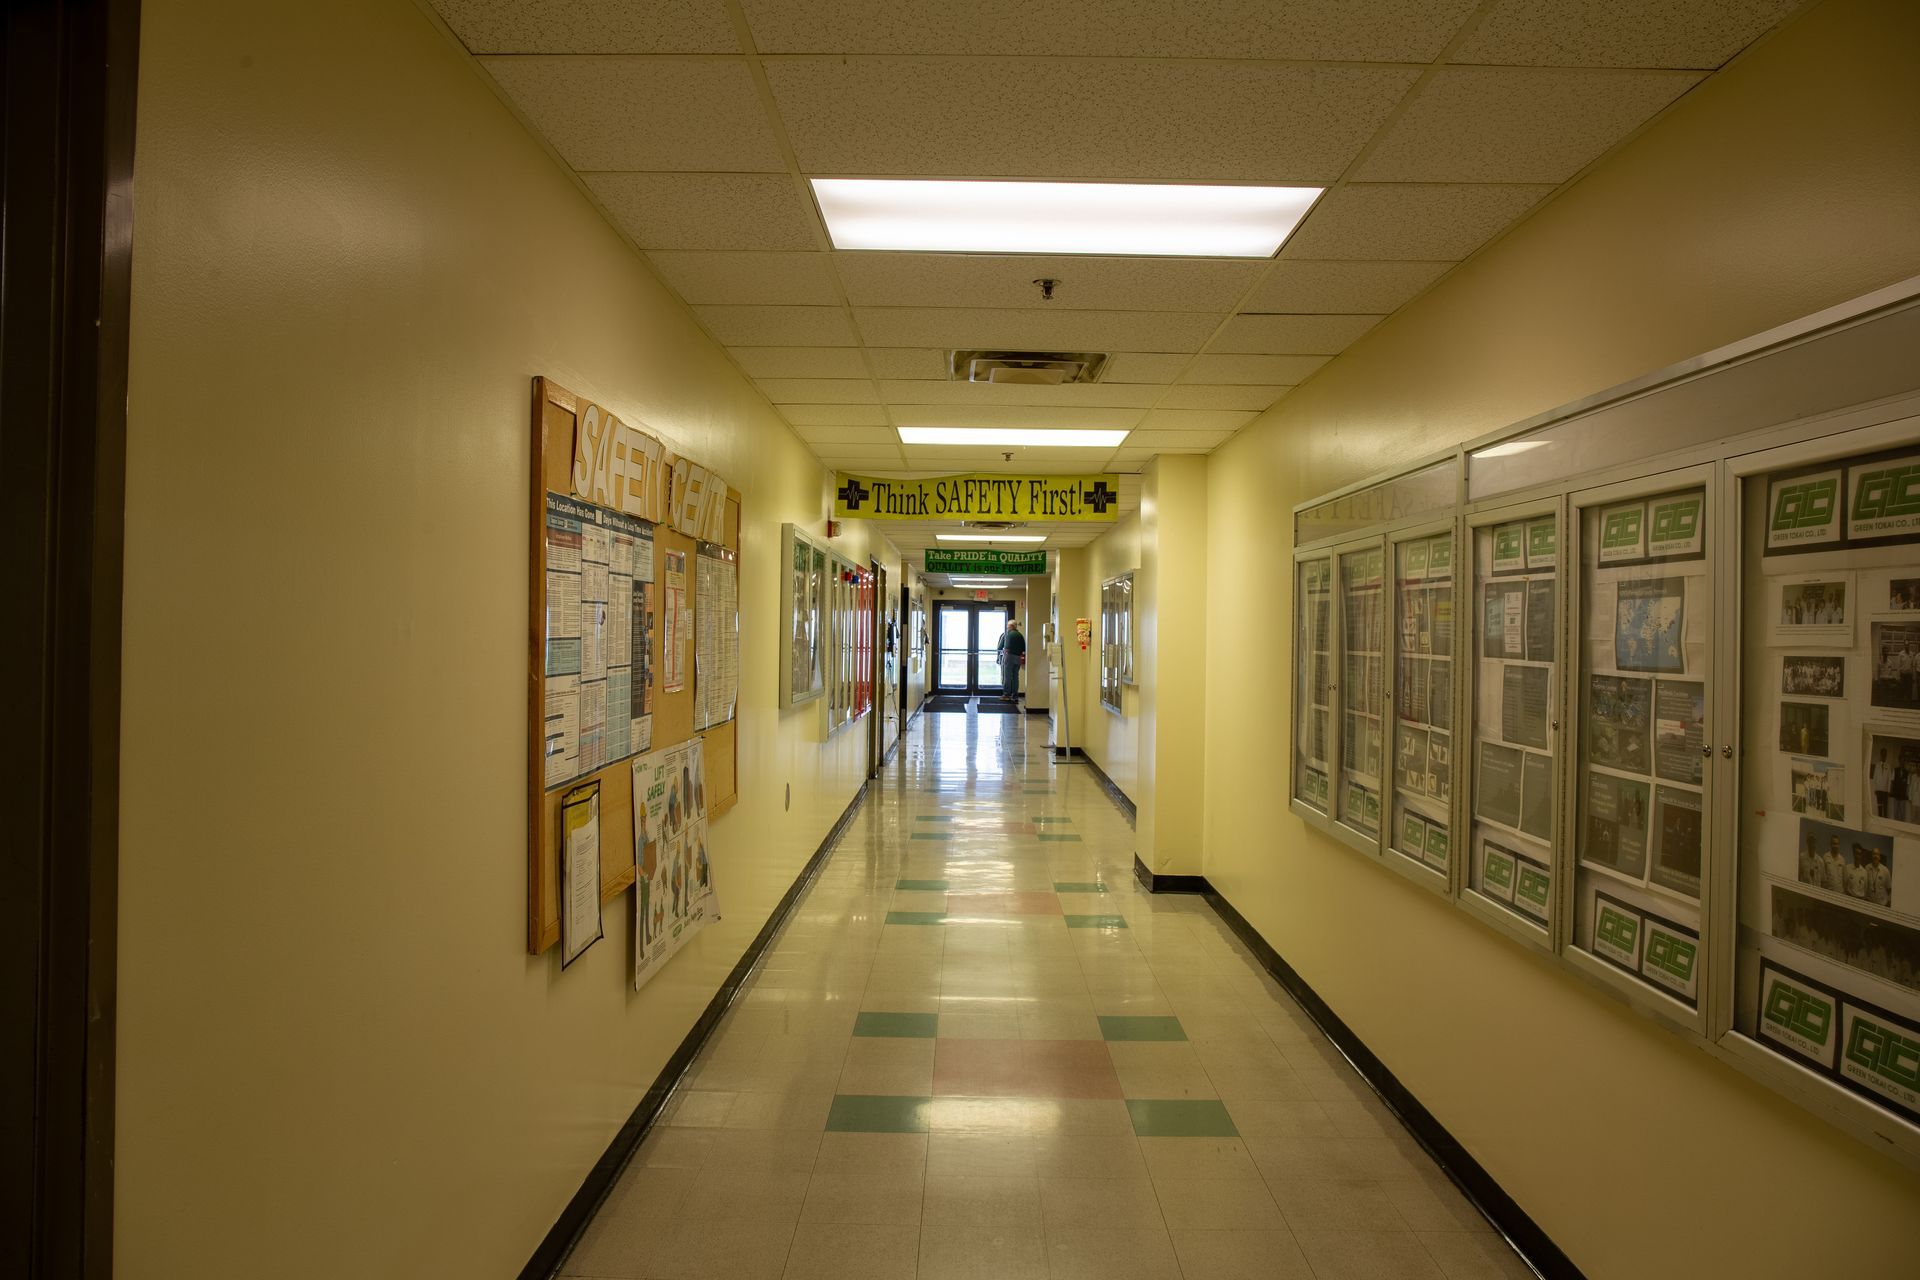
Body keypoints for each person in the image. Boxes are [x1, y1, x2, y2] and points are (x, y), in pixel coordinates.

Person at [996, 619, 1026, 701]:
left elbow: (1000, 647)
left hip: (1009, 657)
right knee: (1016, 676)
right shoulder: (1020, 635)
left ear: (1011, 626)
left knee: (1007, 676)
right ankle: (1015, 695)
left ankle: (1006, 695)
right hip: (1018, 657)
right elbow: (1024, 648)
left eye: (1008, 626)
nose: (1007, 627)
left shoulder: (1007, 634)